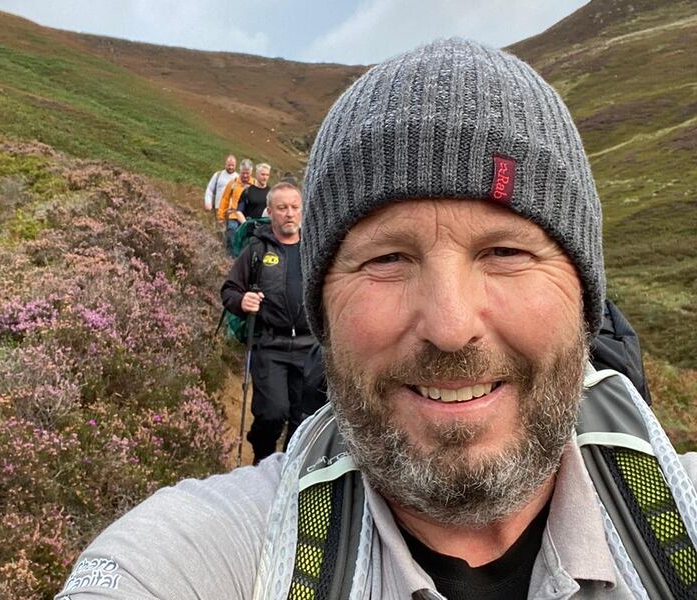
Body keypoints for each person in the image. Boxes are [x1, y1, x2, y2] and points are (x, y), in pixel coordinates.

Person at [56, 39, 697, 600]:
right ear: (325, 305)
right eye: (387, 258)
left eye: (505, 252)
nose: (450, 327)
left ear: (587, 301)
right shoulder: (207, 556)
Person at [220, 181, 314, 463]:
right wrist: (242, 301)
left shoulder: (315, 249)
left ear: (302, 211)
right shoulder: (257, 250)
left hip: (311, 349)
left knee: (303, 420)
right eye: (282, 208)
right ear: (270, 212)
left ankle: (288, 469)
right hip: (270, 345)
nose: (289, 213)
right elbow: (229, 290)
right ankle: (262, 461)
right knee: (272, 414)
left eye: (295, 207)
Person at [217, 158, 255, 255]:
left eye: (247, 173)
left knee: (246, 242)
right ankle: (229, 263)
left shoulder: (255, 184)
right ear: (240, 171)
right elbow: (224, 199)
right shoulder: (233, 183)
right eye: (243, 173)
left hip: (248, 218)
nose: (245, 175)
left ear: (251, 172)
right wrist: (220, 216)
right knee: (232, 239)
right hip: (233, 216)